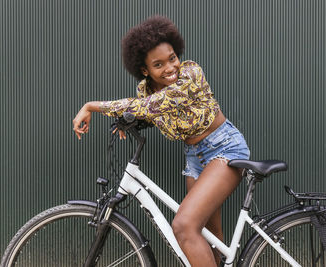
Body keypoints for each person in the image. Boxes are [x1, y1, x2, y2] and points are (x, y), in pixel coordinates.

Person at [72, 15, 250, 267]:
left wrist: (92, 106)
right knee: (208, 235)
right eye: (158, 64)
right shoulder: (146, 92)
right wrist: (131, 121)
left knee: (184, 225)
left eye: (172, 58)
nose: (170, 68)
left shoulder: (190, 74)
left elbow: (154, 105)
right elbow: (153, 111)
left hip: (225, 148)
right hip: (195, 157)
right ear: (145, 70)